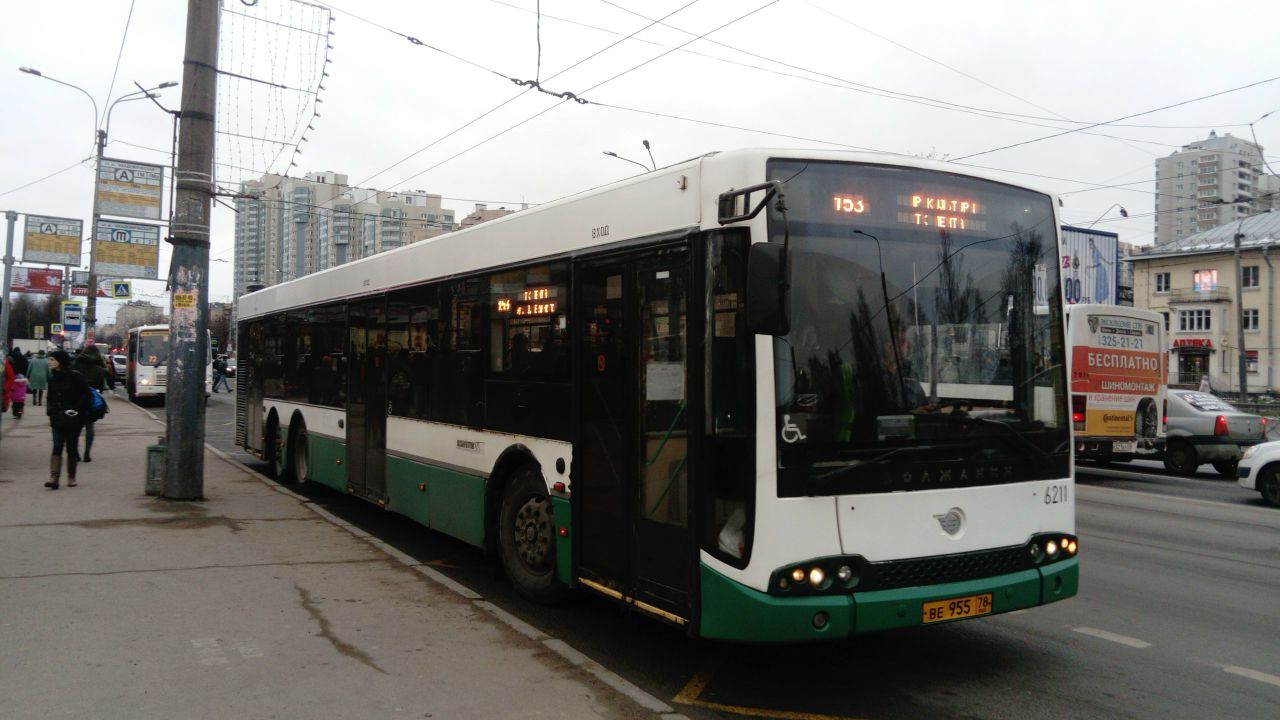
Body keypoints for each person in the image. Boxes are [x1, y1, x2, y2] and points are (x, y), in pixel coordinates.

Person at [45, 350, 91, 489]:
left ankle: (71, 477)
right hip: (57, 418)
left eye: (52, 360)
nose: (49, 362)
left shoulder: (75, 376)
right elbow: (50, 398)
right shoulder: (52, 378)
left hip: (73, 419)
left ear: (60, 361)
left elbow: (86, 395)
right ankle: (54, 478)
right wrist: (51, 412)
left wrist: (76, 409)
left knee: (71, 447)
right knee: (57, 446)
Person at [72, 345, 108, 463]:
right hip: (91, 397)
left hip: (77, 396)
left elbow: (71, 377)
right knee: (90, 427)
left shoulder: (78, 362)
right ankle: (87, 453)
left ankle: (76, 454)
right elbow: (101, 385)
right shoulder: (98, 365)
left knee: (76, 427)